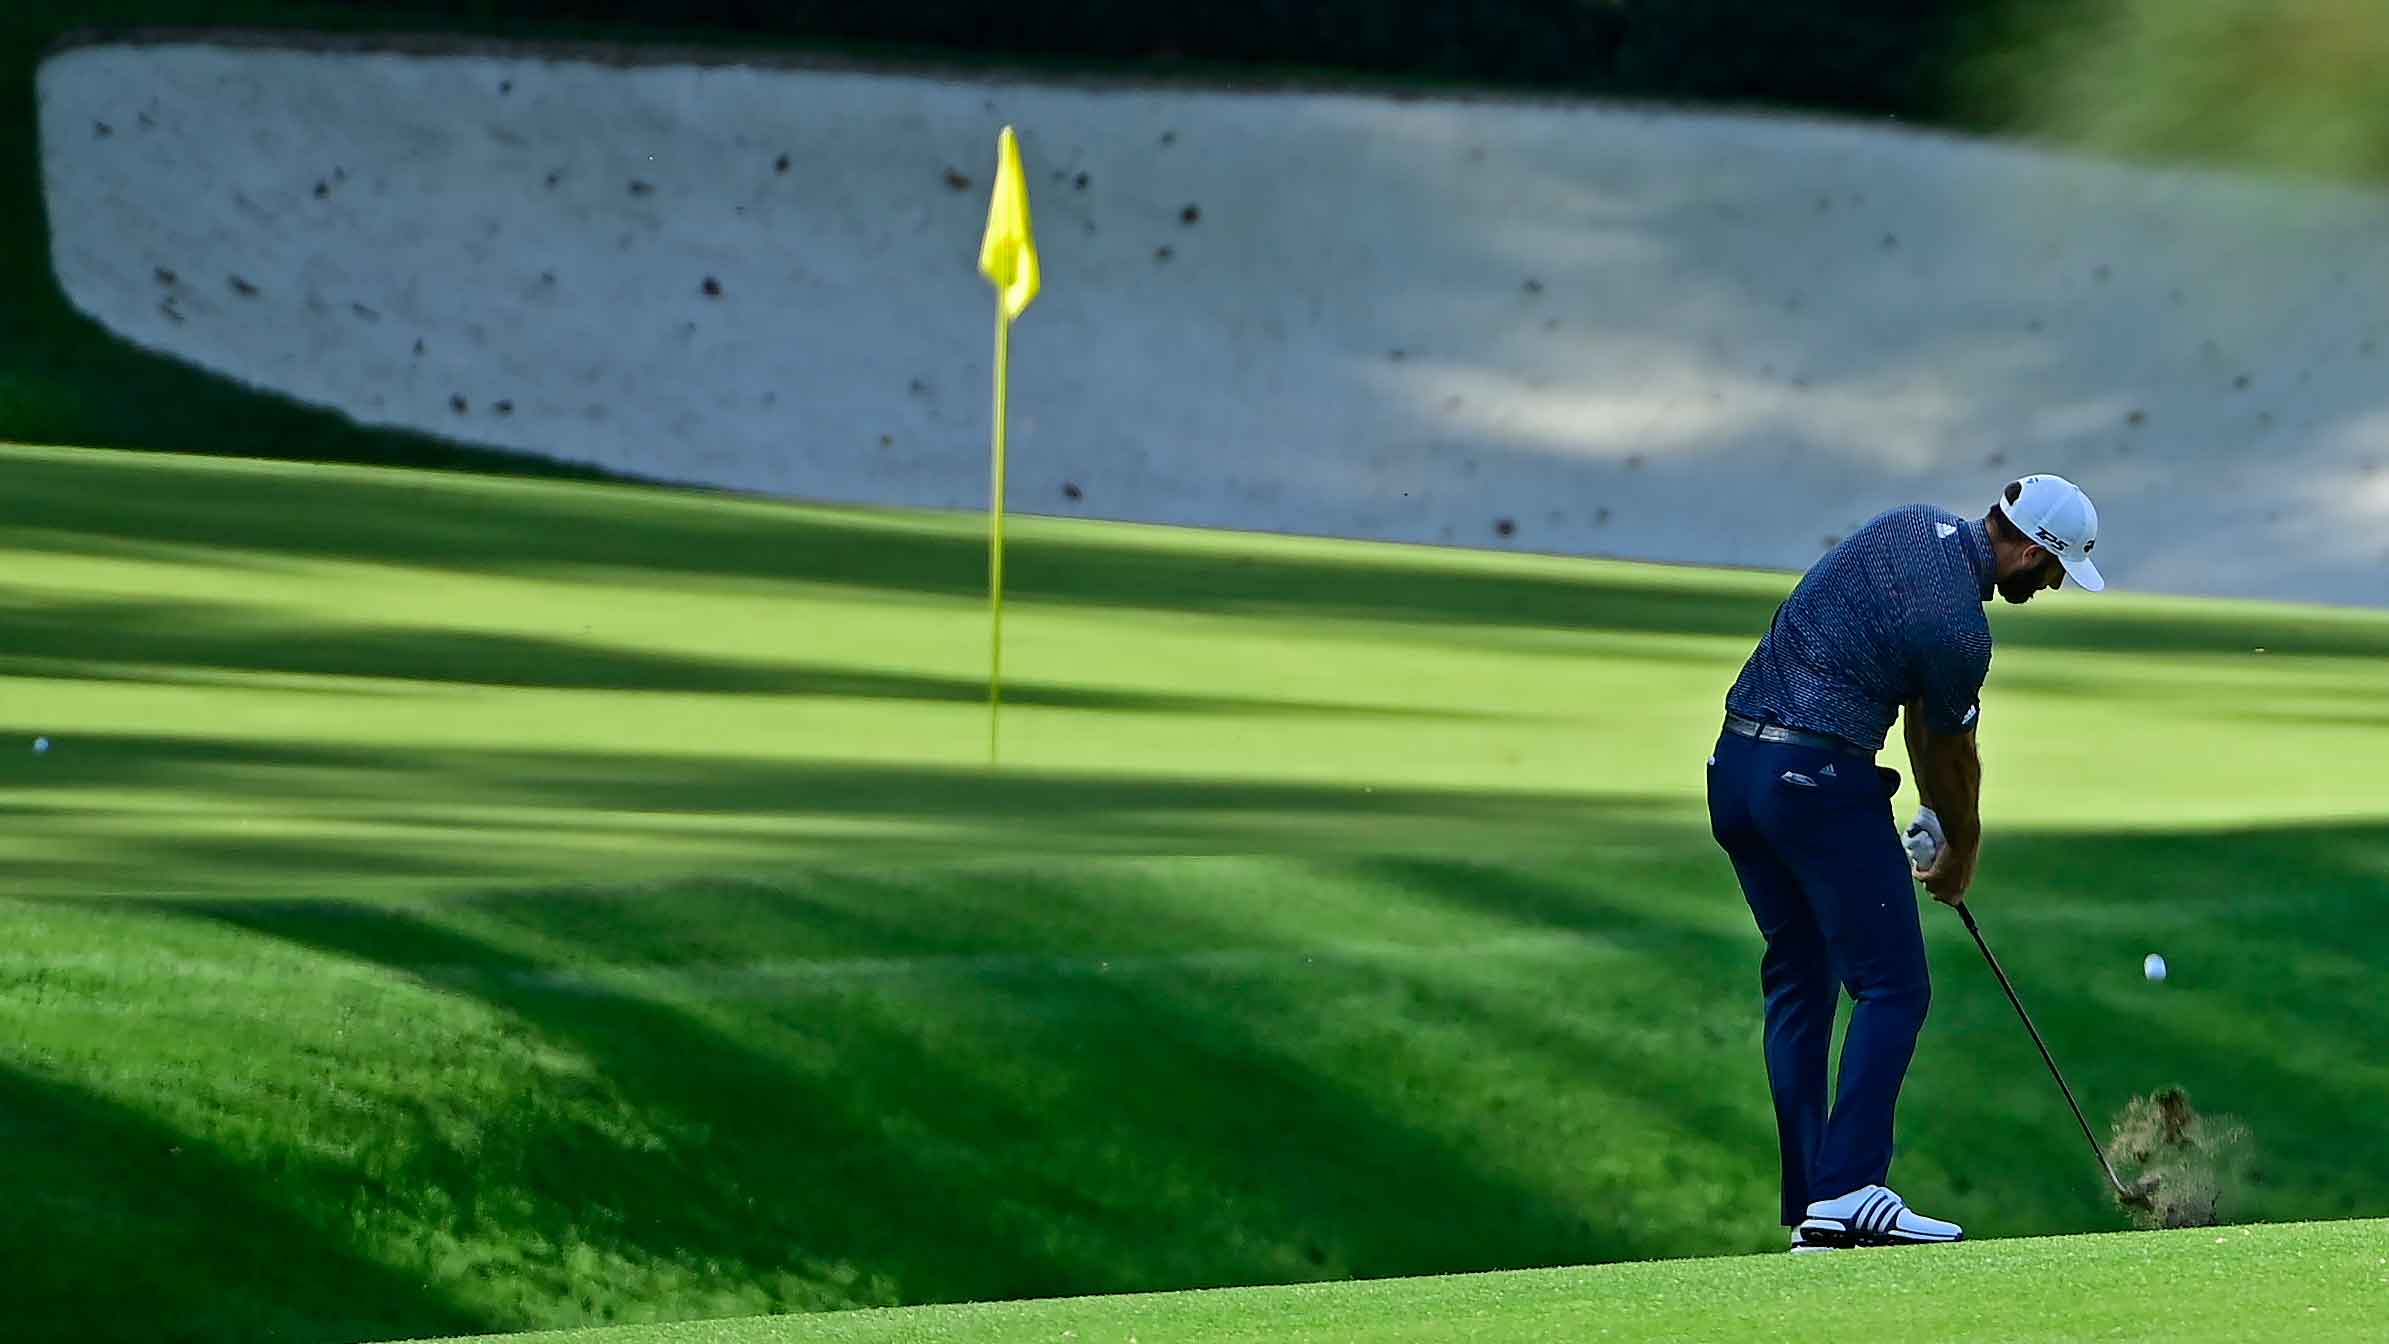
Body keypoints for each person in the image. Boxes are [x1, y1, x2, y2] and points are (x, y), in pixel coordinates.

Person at [1704, 474, 2105, 1250]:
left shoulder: (1907, 524)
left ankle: (1815, 1200)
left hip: (1734, 773)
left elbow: (1921, 714)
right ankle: (1849, 1187)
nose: (2052, 585)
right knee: (1892, 985)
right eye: (2053, 570)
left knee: (1800, 976)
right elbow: (1951, 752)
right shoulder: (1959, 629)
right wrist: (1961, 845)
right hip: (1814, 783)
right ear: (2027, 550)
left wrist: (1926, 813)